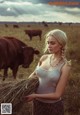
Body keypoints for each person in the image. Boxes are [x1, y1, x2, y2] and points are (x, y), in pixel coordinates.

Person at [25, 29, 71, 115]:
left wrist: (35, 95)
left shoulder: (65, 65)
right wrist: (23, 86)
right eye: (48, 42)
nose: (49, 46)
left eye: (52, 43)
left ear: (61, 44)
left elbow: (57, 95)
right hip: (37, 104)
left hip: (53, 107)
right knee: (5, 109)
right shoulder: (44, 58)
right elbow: (34, 74)